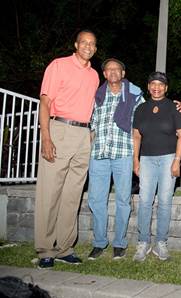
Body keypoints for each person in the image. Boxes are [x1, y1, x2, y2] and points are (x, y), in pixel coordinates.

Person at [34, 29, 99, 268]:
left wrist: (89, 136)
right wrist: (46, 137)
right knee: (50, 192)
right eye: (84, 42)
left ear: (95, 48)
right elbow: (45, 102)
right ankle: (45, 249)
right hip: (60, 128)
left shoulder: (94, 75)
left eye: (92, 44)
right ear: (76, 44)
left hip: (84, 134)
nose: (88, 46)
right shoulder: (58, 65)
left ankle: (64, 247)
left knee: (72, 194)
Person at [87, 58, 144, 261]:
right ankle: (99, 242)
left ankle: (119, 243)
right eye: (109, 69)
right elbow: (91, 125)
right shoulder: (96, 96)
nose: (112, 72)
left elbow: (148, 115)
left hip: (123, 154)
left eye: (117, 69)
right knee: (95, 199)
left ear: (123, 73)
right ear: (104, 74)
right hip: (98, 154)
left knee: (123, 200)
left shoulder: (134, 96)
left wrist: (175, 107)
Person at [132, 72, 181, 261]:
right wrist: (136, 161)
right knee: (145, 201)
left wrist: (177, 161)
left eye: (161, 84)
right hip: (146, 160)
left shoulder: (174, 108)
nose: (157, 87)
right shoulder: (141, 109)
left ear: (166, 88)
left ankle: (161, 243)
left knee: (165, 201)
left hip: (168, 159)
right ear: (148, 87)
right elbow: (137, 136)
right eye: (153, 84)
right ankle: (143, 242)